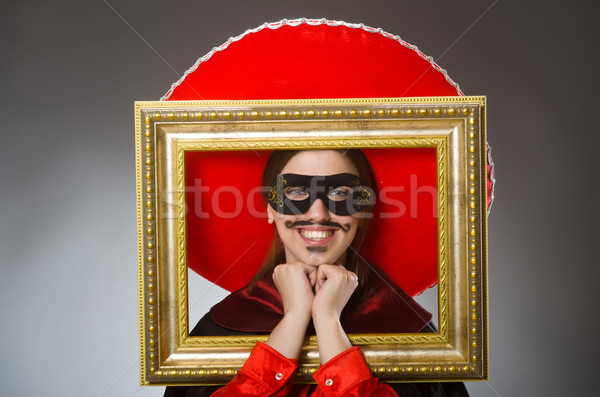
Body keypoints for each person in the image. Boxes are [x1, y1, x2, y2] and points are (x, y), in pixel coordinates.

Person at [165, 149, 469, 397]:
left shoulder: (411, 333)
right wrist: (295, 317)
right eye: (297, 190)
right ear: (270, 208)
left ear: (362, 210)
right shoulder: (217, 330)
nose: (318, 213)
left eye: (340, 191)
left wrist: (327, 321)